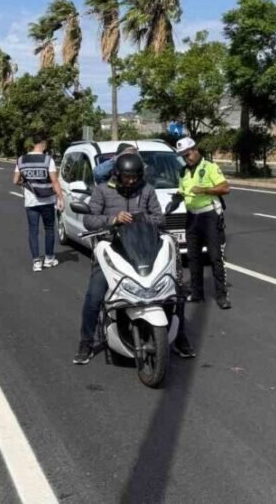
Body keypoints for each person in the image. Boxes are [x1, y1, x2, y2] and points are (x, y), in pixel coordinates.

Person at [74, 153, 195, 364]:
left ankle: (181, 337)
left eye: (135, 177)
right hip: (112, 250)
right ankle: (86, 342)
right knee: (94, 296)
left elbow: (159, 218)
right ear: (117, 175)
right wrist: (113, 219)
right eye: (127, 177)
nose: (131, 181)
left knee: (174, 290)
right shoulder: (102, 190)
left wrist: (140, 218)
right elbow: (89, 220)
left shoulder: (146, 190)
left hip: (145, 249)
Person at [175, 137, 232, 310]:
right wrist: (175, 198)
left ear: (195, 150)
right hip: (192, 217)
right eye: (183, 156)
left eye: (188, 154)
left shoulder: (209, 167)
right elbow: (182, 191)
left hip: (209, 216)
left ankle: (222, 295)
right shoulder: (183, 171)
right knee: (193, 257)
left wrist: (204, 190)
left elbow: (225, 188)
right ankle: (197, 293)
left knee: (215, 257)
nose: (186, 158)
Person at [13, 135, 65, 272]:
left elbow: (15, 180)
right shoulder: (48, 160)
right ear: (43, 144)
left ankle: (36, 261)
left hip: (31, 201)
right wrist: (60, 198)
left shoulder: (21, 160)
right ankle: (49, 259)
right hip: (47, 200)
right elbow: (54, 181)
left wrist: (27, 184)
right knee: (49, 229)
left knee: (33, 231)